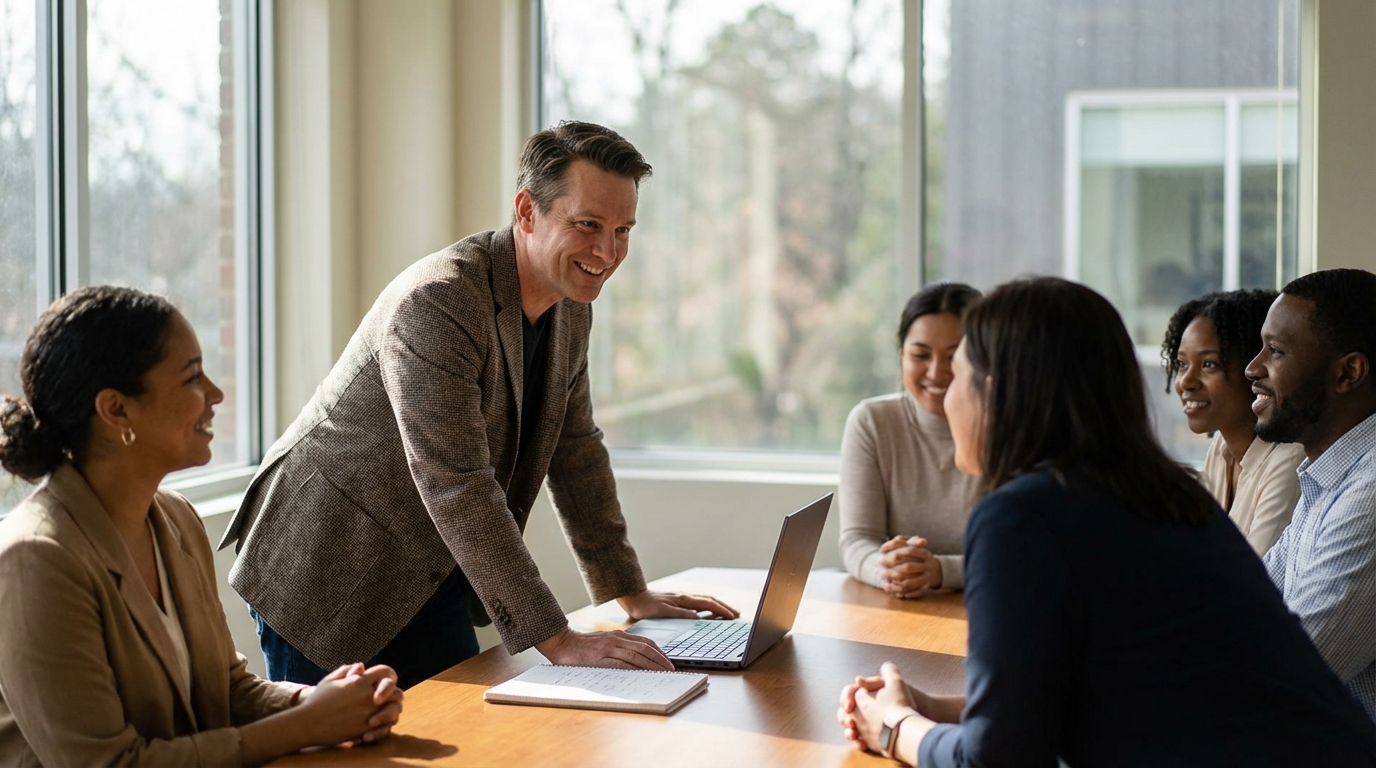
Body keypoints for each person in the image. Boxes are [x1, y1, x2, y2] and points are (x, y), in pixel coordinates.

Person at [219, 121, 736, 690]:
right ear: (526, 211)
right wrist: (557, 638)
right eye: (588, 225)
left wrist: (629, 592)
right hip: (325, 568)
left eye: (623, 230)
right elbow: (457, 481)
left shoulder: (571, 308)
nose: (608, 252)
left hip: (430, 569)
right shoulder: (438, 300)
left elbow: (576, 449)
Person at [836, 277, 1376, 767]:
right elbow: (1130, 690)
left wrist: (896, 728)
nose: (945, 397)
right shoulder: (1169, 493)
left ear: (996, 391)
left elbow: (999, 759)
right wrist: (948, 709)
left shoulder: (1022, 516)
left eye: (958, 375)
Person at [0, 286, 403, 767]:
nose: (216, 394)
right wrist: (306, 724)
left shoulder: (175, 519)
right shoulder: (36, 559)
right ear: (117, 410)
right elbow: (108, 764)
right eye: (193, 378)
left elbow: (226, 692)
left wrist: (328, 702)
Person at [1249, 268, 1376, 720]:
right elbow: (1247, 608)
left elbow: (1287, 678)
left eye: (1276, 352)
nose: (1253, 368)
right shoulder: (1328, 478)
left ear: (1348, 373)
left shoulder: (1371, 493)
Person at [838, 283, 981, 598]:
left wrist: (939, 571)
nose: (937, 372)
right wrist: (887, 568)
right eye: (920, 355)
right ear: (901, 355)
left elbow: (1018, 553)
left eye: (954, 357)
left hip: (985, 602)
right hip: (897, 608)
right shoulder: (872, 421)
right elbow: (858, 538)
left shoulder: (1011, 428)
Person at [1162, 289, 1304, 555]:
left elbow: (1255, 579)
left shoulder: (1289, 461)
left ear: (1255, 369)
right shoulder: (1221, 448)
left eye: (1209, 365)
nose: (1185, 382)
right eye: (1182, 364)